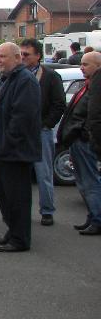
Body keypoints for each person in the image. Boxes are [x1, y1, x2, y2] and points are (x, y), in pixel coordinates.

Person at [0, 42, 41, 253]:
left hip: (14, 153)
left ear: (17, 58)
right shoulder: (6, 78)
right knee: (6, 197)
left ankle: (20, 239)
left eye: (3, 56)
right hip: (1, 150)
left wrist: (6, 144)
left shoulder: (25, 81)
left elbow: (21, 119)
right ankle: (13, 231)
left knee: (17, 198)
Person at [20, 38, 66, 226]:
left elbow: (59, 104)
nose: (22, 58)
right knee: (21, 175)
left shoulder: (50, 76)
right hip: (21, 132)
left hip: (41, 132)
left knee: (43, 173)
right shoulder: (17, 74)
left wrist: (46, 124)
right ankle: (22, 212)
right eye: (20, 54)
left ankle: (47, 211)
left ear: (38, 56)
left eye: (26, 54)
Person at [58, 51, 101, 235]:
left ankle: (98, 219)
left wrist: (84, 134)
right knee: (83, 182)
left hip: (84, 141)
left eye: (86, 64)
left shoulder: (96, 87)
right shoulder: (87, 84)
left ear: (97, 66)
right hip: (77, 140)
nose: (81, 68)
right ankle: (92, 217)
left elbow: (94, 115)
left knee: (90, 182)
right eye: (81, 64)